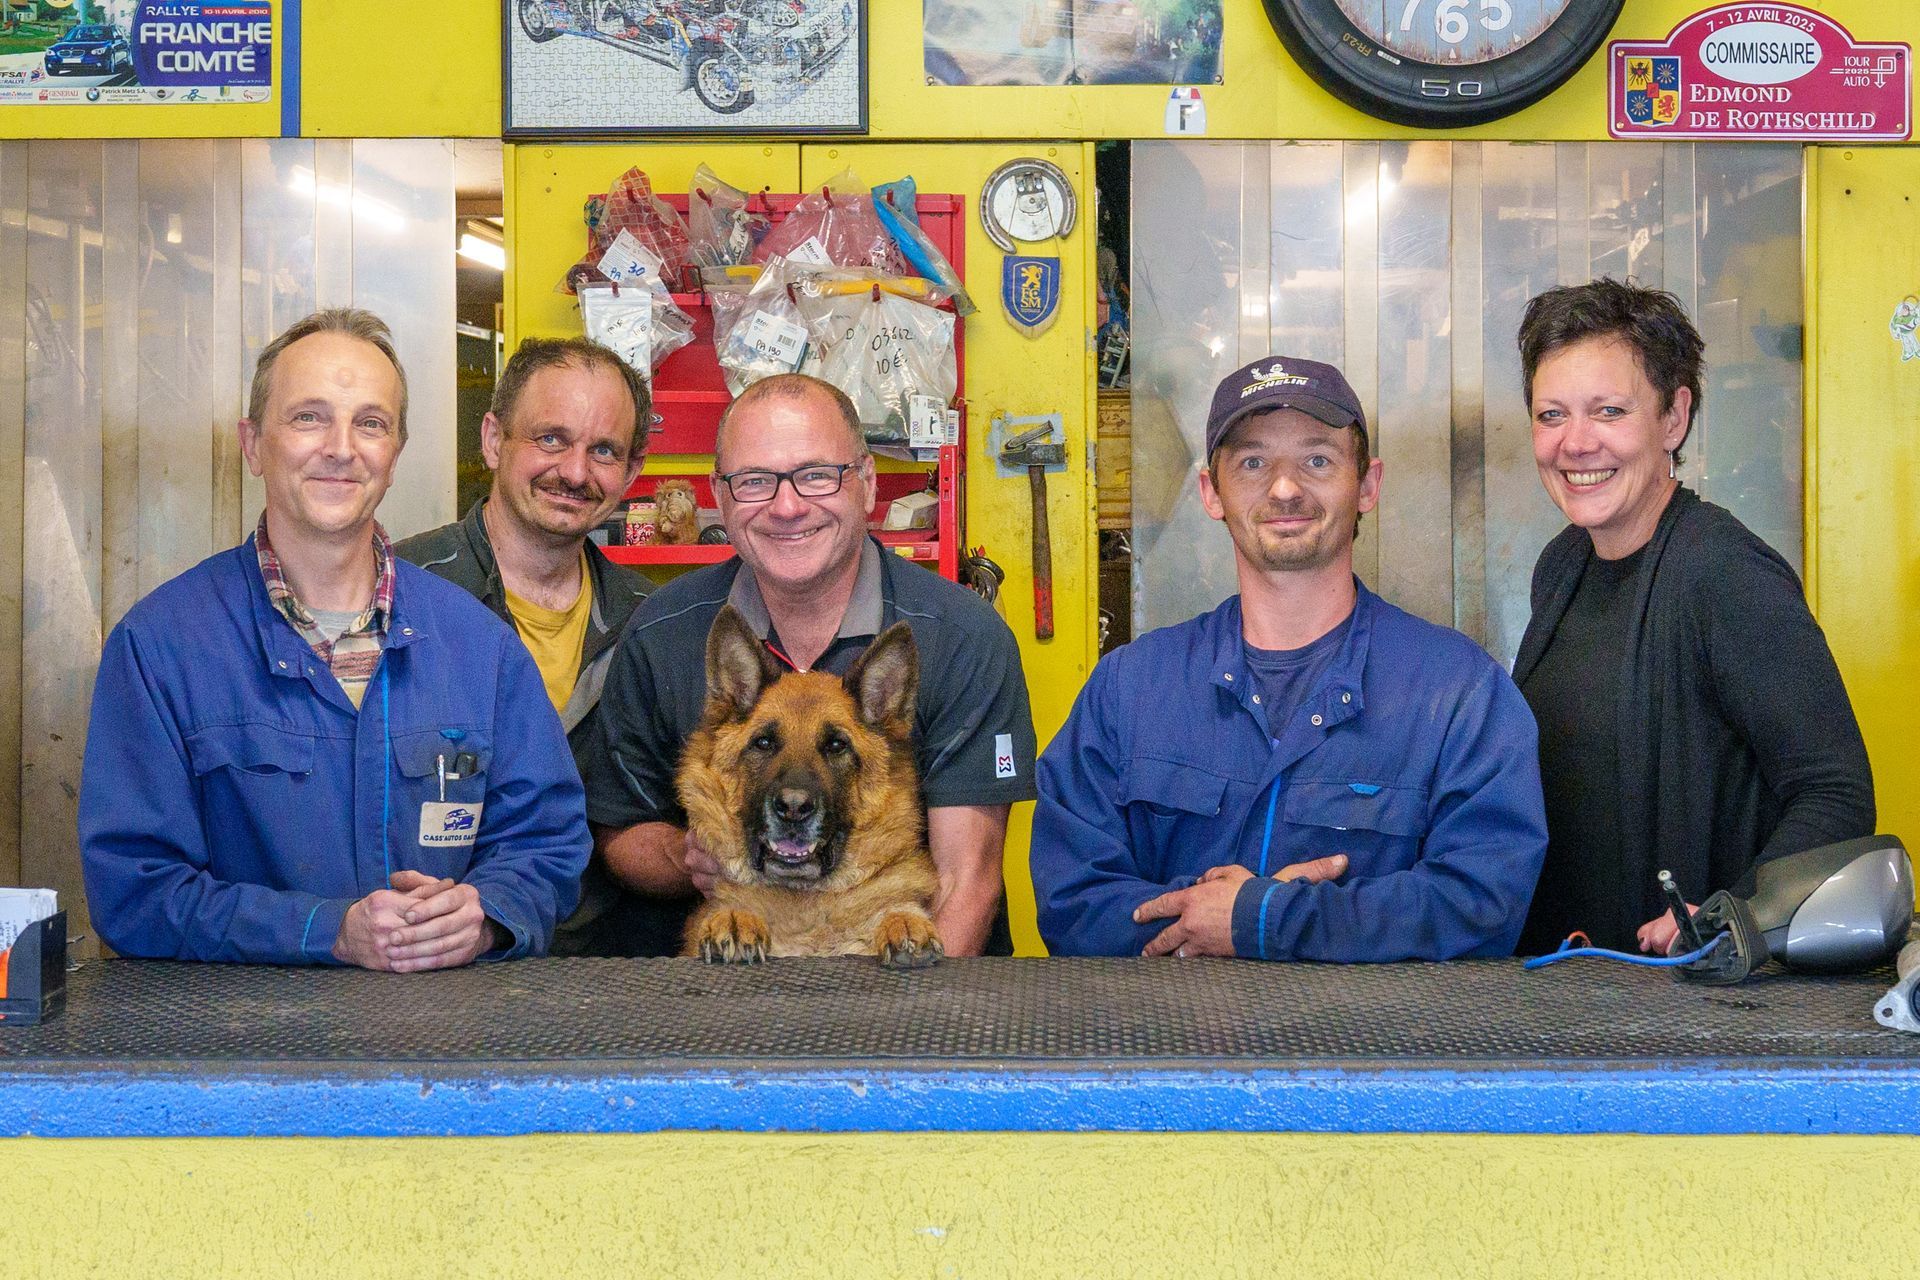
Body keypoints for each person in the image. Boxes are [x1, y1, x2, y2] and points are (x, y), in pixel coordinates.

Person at [79, 309, 589, 968]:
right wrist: (328, 930)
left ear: (396, 453)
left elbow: (546, 843)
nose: (341, 447)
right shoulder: (161, 649)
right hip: (237, 1053)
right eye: (308, 417)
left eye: (370, 423)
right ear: (253, 443)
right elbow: (134, 891)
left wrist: (489, 913)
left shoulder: (480, 649)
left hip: (436, 1045)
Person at [1030, 355, 1547, 961]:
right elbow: (1073, 901)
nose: (1284, 488)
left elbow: (1485, 905)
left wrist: (1268, 919)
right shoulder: (1129, 688)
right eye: (1253, 462)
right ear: (1211, 492)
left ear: (1369, 485)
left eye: (1318, 459)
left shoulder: (1459, 695)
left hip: (1372, 1051)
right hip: (1170, 1047)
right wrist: (1211, 918)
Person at [581, 373, 1037, 956]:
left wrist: (900, 1035)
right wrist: (691, 856)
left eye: (817, 475)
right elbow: (618, 831)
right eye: (754, 481)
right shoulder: (662, 630)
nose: (788, 506)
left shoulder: (965, 638)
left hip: (910, 1005)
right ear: (719, 497)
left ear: (867, 482)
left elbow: (963, 883)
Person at [1511, 278, 1873, 956]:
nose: (1575, 443)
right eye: (1551, 415)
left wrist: (1733, 910)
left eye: (1609, 411)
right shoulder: (1561, 567)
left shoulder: (1726, 574)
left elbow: (1836, 794)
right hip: (1582, 983)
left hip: (1686, 1006)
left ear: (1673, 418)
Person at [396, 337, 650, 955]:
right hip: (425, 958)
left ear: (633, 472)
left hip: (606, 969)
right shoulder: (401, 593)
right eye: (551, 439)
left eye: (605, 451)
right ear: (491, 440)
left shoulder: (650, 623)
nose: (575, 472)